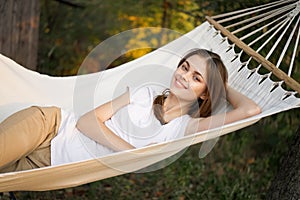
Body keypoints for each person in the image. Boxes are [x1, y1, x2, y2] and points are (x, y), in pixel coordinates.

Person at [0, 48, 261, 173]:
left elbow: (251, 109)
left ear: (205, 92)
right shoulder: (145, 93)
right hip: (51, 125)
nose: (183, 76)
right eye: (184, 67)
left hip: (50, 165)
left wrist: (221, 84)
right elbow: (87, 122)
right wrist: (131, 153)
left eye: (196, 77)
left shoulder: (184, 129)